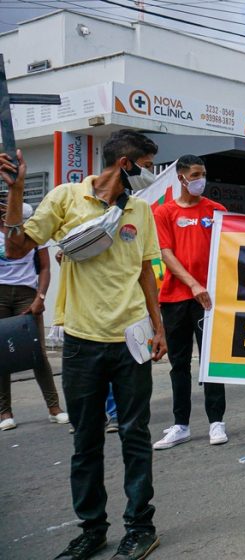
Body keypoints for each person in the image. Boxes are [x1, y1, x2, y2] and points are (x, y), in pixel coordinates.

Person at [1, 130, 166, 560]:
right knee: (86, 440)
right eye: (148, 165)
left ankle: (140, 527)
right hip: (80, 340)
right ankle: (92, 528)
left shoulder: (140, 209)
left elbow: (147, 270)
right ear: (127, 165)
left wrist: (157, 326)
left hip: (131, 338)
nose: (152, 174)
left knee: (134, 434)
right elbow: (17, 245)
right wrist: (16, 192)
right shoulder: (65, 198)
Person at [153, 154, 228, 450]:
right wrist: (193, 283)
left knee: (210, 362)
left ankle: (216, 421)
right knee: (179, 364)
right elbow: (166, 253)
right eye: (195, 174)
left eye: (204, 174)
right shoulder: (164, 212)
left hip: (208, 300)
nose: (201, 180)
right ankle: (180, 425)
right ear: (181, 177)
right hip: (175, 298)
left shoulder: (217, 211)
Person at [0, 202, 69, 431]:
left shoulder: (32, 231)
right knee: (2, 354)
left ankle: (54, 408)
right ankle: (5, 412)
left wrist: (40, 297)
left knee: (37, 351)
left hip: (27, 294)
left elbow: (45, 268)